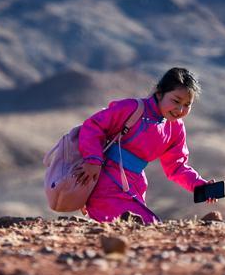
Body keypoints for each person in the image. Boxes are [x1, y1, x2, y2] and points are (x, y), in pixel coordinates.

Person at [75, 67, 214, 223]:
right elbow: (93, 126)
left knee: (145, 228)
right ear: (160, 93)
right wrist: (93, 160)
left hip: (134, 187)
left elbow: (177, 167)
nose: (180, 109)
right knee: (146, 226)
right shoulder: (132, 109)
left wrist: (200, 186)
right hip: (105, 182)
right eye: (176, 101)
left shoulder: (175, 128)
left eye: (187, 104)